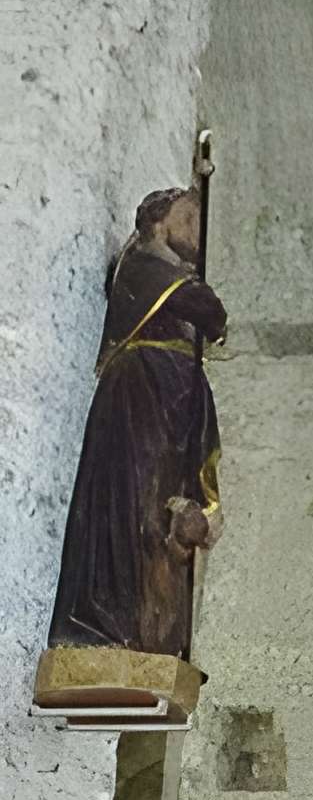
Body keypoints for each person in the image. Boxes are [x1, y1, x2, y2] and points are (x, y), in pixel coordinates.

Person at [47, 185, 227, 663]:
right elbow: (208, 310)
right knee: (131, 505)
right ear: (159, 220)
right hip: (140, 398)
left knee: (162, 514)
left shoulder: (168, 274)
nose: (200, 234)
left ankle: (149, 636)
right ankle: (107, 626)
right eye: (192, 218)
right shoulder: (145, 265)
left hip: (169, 396)